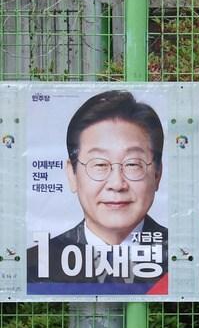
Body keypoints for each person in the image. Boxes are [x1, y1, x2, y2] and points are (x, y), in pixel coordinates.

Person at [27, 90, 167, 293]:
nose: (117, 184)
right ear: (72, 174)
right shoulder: (35, 267)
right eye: (100, 164)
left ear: (157, 174)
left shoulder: (185, 260)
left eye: (132, 164)